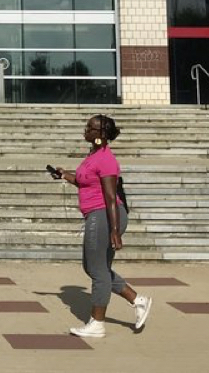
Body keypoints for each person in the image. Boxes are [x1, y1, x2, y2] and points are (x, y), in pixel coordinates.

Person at [49, 114, 151, 338]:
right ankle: (138, 300)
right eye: (86, 126)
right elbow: (83, 181)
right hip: (98, 215)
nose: (86, 130)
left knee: (97, 271)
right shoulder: (93, 155)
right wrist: (65, 175)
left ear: (102, 135)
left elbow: (110, 196)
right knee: (94, 267)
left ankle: (97, 323)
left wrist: (115, 230)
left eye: (91, 128)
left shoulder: (106, 159)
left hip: (104, 215)